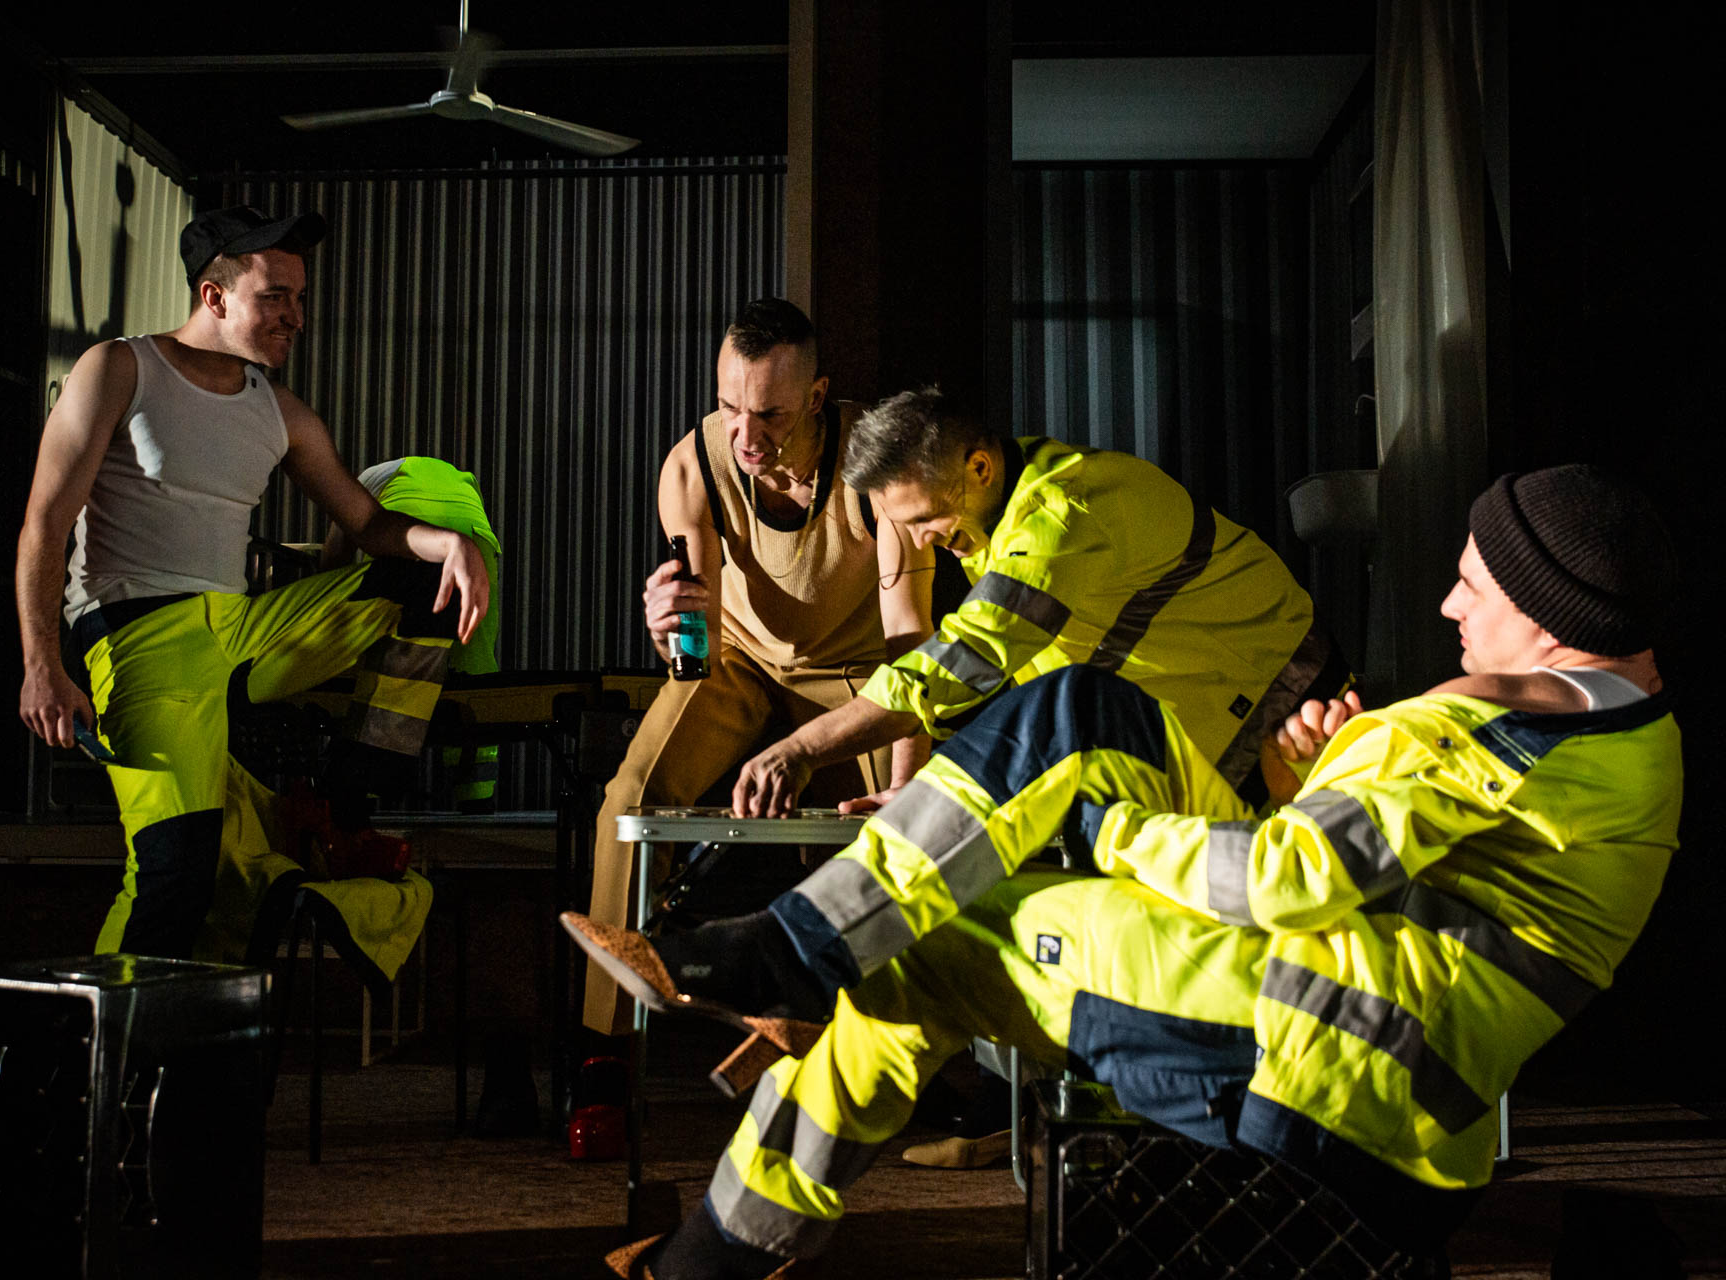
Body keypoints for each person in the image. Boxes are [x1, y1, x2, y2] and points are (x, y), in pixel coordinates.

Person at [568, 464, 1683, 1278]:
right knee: (1079, 708)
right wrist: (1309, 779)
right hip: (1375, 1040)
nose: (1449, 606)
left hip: (1323, 1060)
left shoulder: (1486, 719)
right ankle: (792, 976)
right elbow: (1388, 882)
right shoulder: (1626, 731)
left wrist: (1114, 832)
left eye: (1473, 586)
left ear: (1546, 614)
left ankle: (741, 1160)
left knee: (929, 942)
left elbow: (1285, 882)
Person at [16, 206, 490, 962]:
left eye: (300, 298)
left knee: (417, 581)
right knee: (177, 871)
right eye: (275, 297)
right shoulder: (120, 369)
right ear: (214, 296)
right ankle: (97, 1032)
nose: (296, 317)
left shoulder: (282, 412)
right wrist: (42, 665)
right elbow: (44, 523)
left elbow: (368, 522)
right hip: (141, 638)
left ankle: (348, 799)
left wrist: (452, 543)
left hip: (243, 632)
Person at [730, 386, 1342, 821]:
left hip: (1282, 707)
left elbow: (960, 663)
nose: (918, 541)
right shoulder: (1000, 511)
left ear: (979, 466)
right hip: (1212, 718)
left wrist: (801, 750)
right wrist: (927, 785)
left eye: (924, 518)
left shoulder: (1061, 519)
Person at [581, 299, 935, 1037]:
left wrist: (907, 786)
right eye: (729, 408)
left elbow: (912, 643)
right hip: (739, 662)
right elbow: (695, 652)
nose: (746, 435)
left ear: (816, 396)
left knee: (915, 830)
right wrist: (667, 629)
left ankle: (901, 1052)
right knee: (628, 804)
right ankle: (605, 1048)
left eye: (770, 415)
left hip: (860, 672)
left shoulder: (878, 466)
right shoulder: (693, 464)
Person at [324, 456, 505, 810]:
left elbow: (335, 556)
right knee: (474, 655)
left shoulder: (365, 482)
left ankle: (366, 794)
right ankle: (476, 797)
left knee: (387, 662)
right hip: (472, 531)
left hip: (403, 524)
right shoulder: (460, 480)